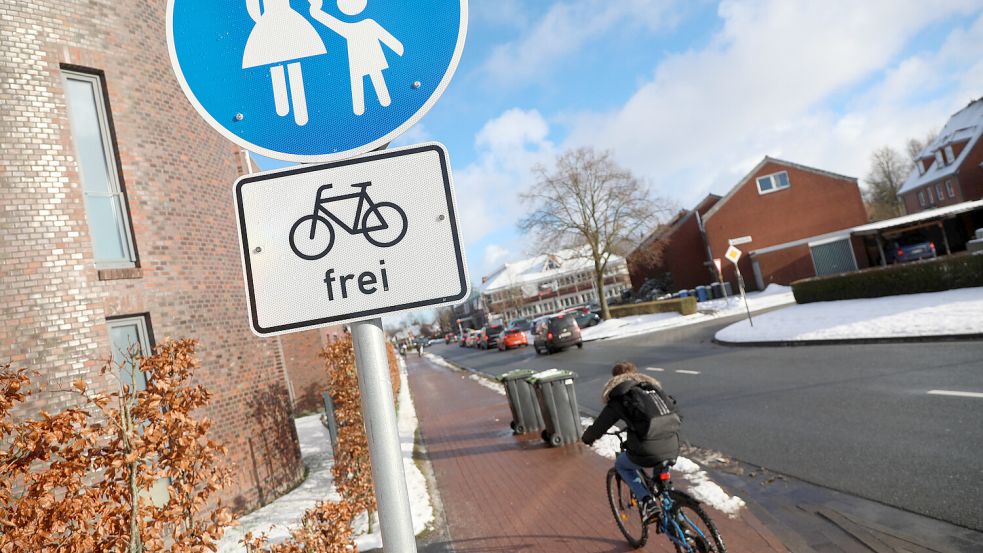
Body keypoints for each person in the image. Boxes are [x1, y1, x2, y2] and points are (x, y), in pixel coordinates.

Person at [582, 361, 681, 523]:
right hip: (673, 444)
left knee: (622, 465)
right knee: (661, 469)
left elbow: (600, 425)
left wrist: (587, 438)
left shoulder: (620, 395)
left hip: (647, 450)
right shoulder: (653, 389)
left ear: (616, 378)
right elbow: (677, 415)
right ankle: (670, 504)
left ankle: (648, 503)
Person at [308, 0, 404, 116]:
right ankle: (362, 110)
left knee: (372, 80)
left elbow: (386, 37)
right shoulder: (360, 25)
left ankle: (375, 106)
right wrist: (315, 11)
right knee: (363, 82)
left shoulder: (360, 25)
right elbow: (329, 21)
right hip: (362, 61)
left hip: (368, 60)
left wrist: (398, 48)